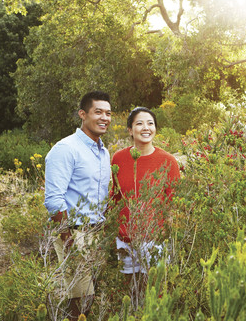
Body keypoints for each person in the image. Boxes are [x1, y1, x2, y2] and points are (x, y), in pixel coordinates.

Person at [44, 91, 112, 321]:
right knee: (81, 298)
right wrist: (68, 240)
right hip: (73, 231)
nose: (104, 118)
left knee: (90, 296)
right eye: (98, 112)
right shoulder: (66, 149)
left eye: (108, 113)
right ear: (83, 114)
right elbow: (54, 201)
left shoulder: (104, 152)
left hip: (96, 231)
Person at [111, 107, 180, 279]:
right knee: (130, 289)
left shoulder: (168, 161)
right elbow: (115, 196)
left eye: (150, 123)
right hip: (125, 239)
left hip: (154, 240)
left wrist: (164, 234)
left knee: (156, 290)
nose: (146, 128)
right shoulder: (118, 158)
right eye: (139, 124)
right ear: (130, 130)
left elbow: (174, 202)